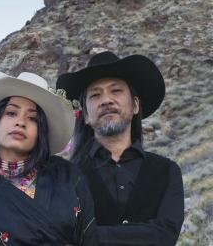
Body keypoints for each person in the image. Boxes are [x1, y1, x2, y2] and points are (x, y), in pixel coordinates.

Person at [56, 51, 184, 246]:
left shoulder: (167, 171)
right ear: (86, 116)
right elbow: (63, 234)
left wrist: (89, 237)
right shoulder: (65, 177)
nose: (106, 100)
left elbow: (165, 235)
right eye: (96, 95)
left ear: (135, 105)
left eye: (116, 91)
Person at [0, 70, 97, 245]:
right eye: (11, 113)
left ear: (40, 132)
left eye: (32, 118)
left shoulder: (68, 175)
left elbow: (90, 238)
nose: (20, 122)